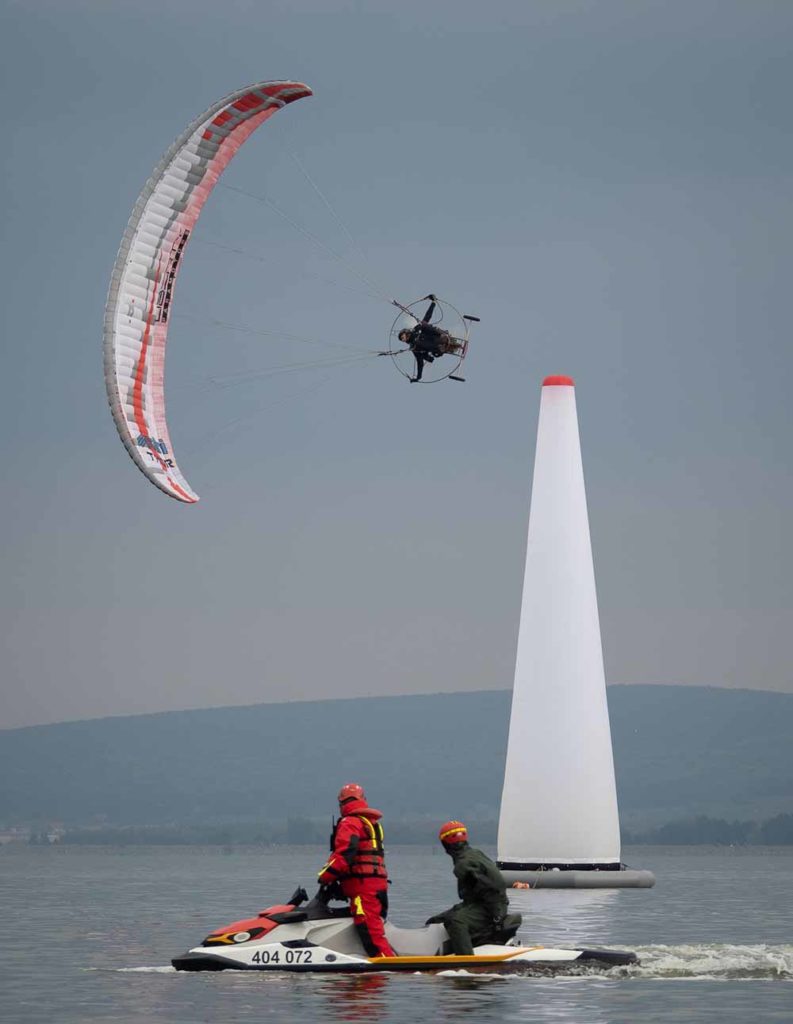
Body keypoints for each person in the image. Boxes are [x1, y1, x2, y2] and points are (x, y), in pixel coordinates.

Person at [317, 783, 396, 958]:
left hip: (363, 889)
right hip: (377, 886)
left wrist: (325, 876)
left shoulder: (350, 822)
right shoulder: (370, 822)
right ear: (363, 800)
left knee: (371, 934)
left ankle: (388, 970)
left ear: (341, 803)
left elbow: (345, 853)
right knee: (372, 930)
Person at [425, 819, 513, 956]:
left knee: (457, 921)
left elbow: (495, 886)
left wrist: (497, 915)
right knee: (435, 921)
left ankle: (466, 961)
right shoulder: (474, 854)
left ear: (445, 843)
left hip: (490, 908)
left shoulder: (464, 863)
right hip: (476, 904)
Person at [397, 295, 463, 382]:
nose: (403, 339)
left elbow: (427, 317)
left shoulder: (417, 330)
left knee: (423, 324)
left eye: (403, 337)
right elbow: (419, 363)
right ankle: (446, 345)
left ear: (406, 333)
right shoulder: (413, 347)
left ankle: (434, 302)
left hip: (439, 336)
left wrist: (433, 303)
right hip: (438, 349)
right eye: (402, 339)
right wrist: (418, 377)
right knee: (419, 348)